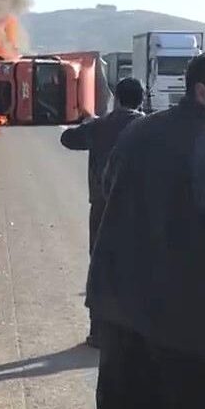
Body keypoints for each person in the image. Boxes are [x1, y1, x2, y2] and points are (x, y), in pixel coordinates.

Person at [81, 45, 205, 409]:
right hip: (196, 342)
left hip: (123, 323)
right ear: (204, 92)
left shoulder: (139, 130)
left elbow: (107, 190)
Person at [60, 78, 144, 347]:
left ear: (116, 98)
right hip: (140, 209)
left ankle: (99, 332)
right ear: (141, 100)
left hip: (103, 206)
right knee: (138, 264)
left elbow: (67, 139)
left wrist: (88, 123)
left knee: (101, 266)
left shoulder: (100, 126)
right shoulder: (150, 126)